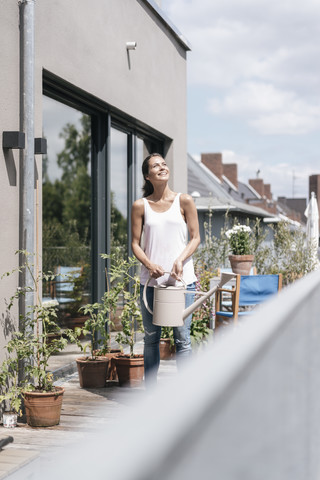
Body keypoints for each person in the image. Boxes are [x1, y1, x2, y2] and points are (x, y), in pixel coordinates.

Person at [131, 153, 200, 387]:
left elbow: (196, 238)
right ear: (147, 176)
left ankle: (186, 394)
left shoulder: (185, 201)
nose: (161, 167)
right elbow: (134, 244)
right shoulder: (140, 206)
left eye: (163, 163)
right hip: (151, 283)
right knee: (151, 339)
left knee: (183, 340)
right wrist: (149, 265)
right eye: (155, 166)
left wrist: (180, 259)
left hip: (183, 282)